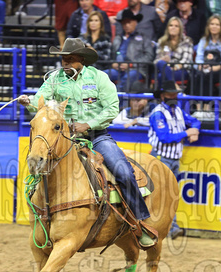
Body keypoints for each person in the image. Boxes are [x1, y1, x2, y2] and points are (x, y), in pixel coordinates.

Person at [17, 38, 156, 247]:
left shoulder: (99, 78)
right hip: (64, 139)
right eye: (63, 59)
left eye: (70, 59)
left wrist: (88, 124)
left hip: (97, 137)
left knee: (123, 171)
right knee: (38, 166)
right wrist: (29, 102)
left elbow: (111, 109)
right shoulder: (55, 79)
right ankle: (43, 218)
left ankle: (140, 222)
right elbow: (40, 101)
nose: (65, 63)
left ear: (81, 59)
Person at [149, 80, 200, 239]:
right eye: (171, 94)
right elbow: (164, 138)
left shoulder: (177, 110)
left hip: (173, 159)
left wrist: (195, 130)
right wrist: (187, 133)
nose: (174, 96)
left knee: (168, 195)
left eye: (175, 94)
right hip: (161, 158)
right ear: (163, 96)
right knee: (163, 195)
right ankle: (171, 227)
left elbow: (194, 121)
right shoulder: (158, 113)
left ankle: (165, 227)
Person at [107, 9, 154, 91]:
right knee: (103, 75)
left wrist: (131, 64)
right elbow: (111, 55)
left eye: (129, 22)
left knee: (128, 77)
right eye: (124, 23)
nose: (126, 25)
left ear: (135, 22)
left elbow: (149, 56)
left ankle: (119, 101)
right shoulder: (117, 39)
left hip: (136, 69)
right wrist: (113, 64)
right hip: (118, 69)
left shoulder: (144, 38)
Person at [193, 14, 221, 96]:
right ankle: (198, 105)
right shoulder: (203, 40)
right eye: (212, 24)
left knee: (206, 76)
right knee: (197, 75)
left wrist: (214, 68)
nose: (214, 27)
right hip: (206, 69)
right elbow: (198, 59)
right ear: (208, 26)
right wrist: (201, 66)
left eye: (217, 25)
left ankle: (205, 105)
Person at [154, 16, 194, 85]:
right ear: (168, 28)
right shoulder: (162, 41)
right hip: (165, 68)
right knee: (161, 64)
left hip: (180, 70)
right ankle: (174, 86)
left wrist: (175, 67)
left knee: (161, 76)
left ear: (180, 29)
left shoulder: (187, 41)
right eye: (171, 25)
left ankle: (167, 91)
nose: (173, 28)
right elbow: (156, 61)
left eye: (176, 26)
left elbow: (186, 61)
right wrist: (163, 59)